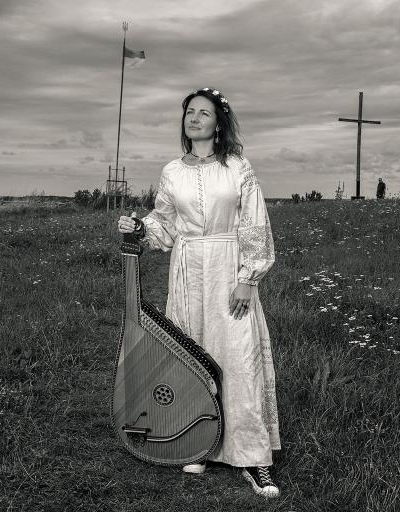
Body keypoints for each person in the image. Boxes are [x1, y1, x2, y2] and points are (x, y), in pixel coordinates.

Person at [117, 87, 281, 498]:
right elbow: (165, 225)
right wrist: (140, 228)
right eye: (189, 112)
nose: (194, 118)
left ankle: (253, 457)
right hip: (188, 271)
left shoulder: (238, 167)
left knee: (238, 356)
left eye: (203, 113)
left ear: (218, 122)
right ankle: (200, 444)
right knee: (192, 357)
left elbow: (255, 223)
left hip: (229, 267)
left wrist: (248, 277)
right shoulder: (172, 171)